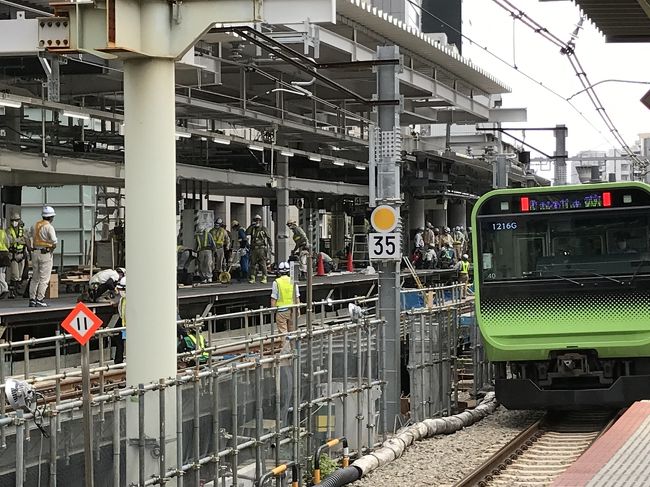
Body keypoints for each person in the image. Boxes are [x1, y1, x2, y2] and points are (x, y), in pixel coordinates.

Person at [29, 206, 57, 307]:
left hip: (35, 253)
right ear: (51, 217)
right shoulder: (49, 227)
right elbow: (54, 242)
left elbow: (28, 237)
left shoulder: (34, 225)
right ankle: (40, 299)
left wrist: (30, 248)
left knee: (35, 278)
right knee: (44, 278)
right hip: (45, 253)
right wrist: (51, 249)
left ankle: (32, 299)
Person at [270, 261, 300, 334]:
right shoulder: (293, 281)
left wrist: (273, 310)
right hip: (292, 309)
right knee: (293, 332)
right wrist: (298, 309)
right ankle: (293, 345)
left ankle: (286, 345)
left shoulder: (276, 282)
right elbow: (297, 297)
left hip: (281, 311)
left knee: (283, 332)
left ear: (279, 272)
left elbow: (274, 298)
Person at [246, 215, 273, 284]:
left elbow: (268, 237)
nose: (257, 221)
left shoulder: (264, 228)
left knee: (262, 263)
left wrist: (271, 246)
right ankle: (252, 277)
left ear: (260, 221)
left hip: (261, 248)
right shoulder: (252, 228)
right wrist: (251, 225)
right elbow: (247, 233)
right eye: (255, 220)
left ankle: (264, 277)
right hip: (254, 249)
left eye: (258, 220)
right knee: (253, 263)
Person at [7, 212, 27, 299]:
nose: (14, 222)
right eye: (13, 220)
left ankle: (16, 289)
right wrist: (19, 240)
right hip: (13, 255)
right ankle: (12, 292)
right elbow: (10, 241)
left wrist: (17, 240)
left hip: (21, 254)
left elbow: (26, 240)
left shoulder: (23, 230)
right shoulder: (8, 230)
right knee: (14, 275)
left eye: (16, 220)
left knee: (19, 275)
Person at [113, 277, 126, 364]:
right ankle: (118, 360)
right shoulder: (123, 299)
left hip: (130, 325)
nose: (119, 291)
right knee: (117, 338)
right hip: (123, 323)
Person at [0, 223, 10, 300]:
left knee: (0, 273)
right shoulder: (3, 232)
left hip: (0, 254)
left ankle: (4, 288)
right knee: (2, 273)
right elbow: (8, 243)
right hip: (5, 253)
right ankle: (2, 290)